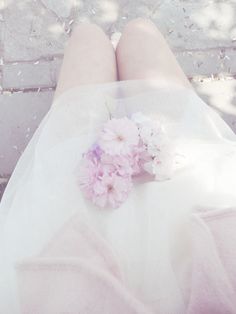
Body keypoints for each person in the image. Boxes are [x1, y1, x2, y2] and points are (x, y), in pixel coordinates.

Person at [1, 18, 236, 314]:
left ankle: (99, 44)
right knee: (139, 33)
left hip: (76, 229)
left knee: (95, 38)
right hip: (194, 213)